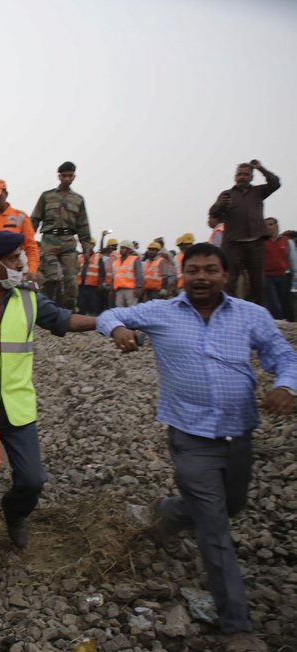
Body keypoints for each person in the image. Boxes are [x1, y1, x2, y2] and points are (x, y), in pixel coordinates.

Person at [96, 242, 297, 652]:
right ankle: (237, 626)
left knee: (232, 506)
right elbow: (110, 312)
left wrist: (285, 385)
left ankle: (169, 514)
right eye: (194, 271)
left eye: (211, 270)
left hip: (239, 435)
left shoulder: (251, 316)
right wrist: (117, 329)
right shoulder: (162, 312)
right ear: (182, 275)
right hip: (190, 439)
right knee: (215, 528)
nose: (202, 277)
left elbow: (284, 356)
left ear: (225, 275)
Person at [0, 231, 96, 589]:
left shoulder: (27, 297)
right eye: (14, 260)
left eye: (21, 257)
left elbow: (63, 320)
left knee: (32, 479)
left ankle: (14, 513)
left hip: (17, 405)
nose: (22, 265)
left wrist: (106, 323)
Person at [208, 160, 281, 306]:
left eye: (246, 174)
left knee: (258, 283)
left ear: (251, 177)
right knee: (228, 281)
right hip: (233, 243)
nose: (242, 177)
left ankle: (255, 312)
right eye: (239, 174)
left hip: (256, 242)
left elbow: (275, 183)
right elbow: (213, 214)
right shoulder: (227, 194)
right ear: (235, 177)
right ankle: (229, 309)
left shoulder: (258, 192)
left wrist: (260, 168)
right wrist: (220, 204)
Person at [31, 161, 92, 310]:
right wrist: (27, 240)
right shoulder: (47, 196)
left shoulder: (78, 200)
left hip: (69, 241)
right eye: (64, 176)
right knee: (50, 277)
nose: (66, 179)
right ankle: (45, 308)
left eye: (69, 176)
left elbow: (83, 225)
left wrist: (86, 247)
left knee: (71, 278)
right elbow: (35, 219)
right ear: (59, 177)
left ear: (74, 177)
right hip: (49, 240)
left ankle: (70, 310)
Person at [263, 217, 297, 322]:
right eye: (266, 225)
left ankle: (291, 323)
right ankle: (278, 323)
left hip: (284, 276)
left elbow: (292, 260)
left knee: (286, 302)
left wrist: (295, 276)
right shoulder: (262, 243)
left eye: (271, 224)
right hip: (268, 277)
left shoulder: (286, 241)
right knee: (273, 304)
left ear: (276, 226)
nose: (269, 227)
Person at [76, 238, 105, 315]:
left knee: (94, 305)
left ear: (93, 246)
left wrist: (100, 284)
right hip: (81, 285)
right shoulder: (80, 257)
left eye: (91, 244)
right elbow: (76, 270)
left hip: (92, 286)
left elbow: (102, 272)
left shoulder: (98, 257)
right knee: (81, 305)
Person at [111, 240, 143, 307]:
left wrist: (138, 287)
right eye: (121, 248)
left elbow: (139, 274)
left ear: (129, 250)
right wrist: (113, 288)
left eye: (123, 248)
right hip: (119, 289)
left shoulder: (135, 260)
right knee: (119, 309)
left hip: (131, 290)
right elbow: (114, 276)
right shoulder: (116, 262)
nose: (121, 250)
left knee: (131, 309)